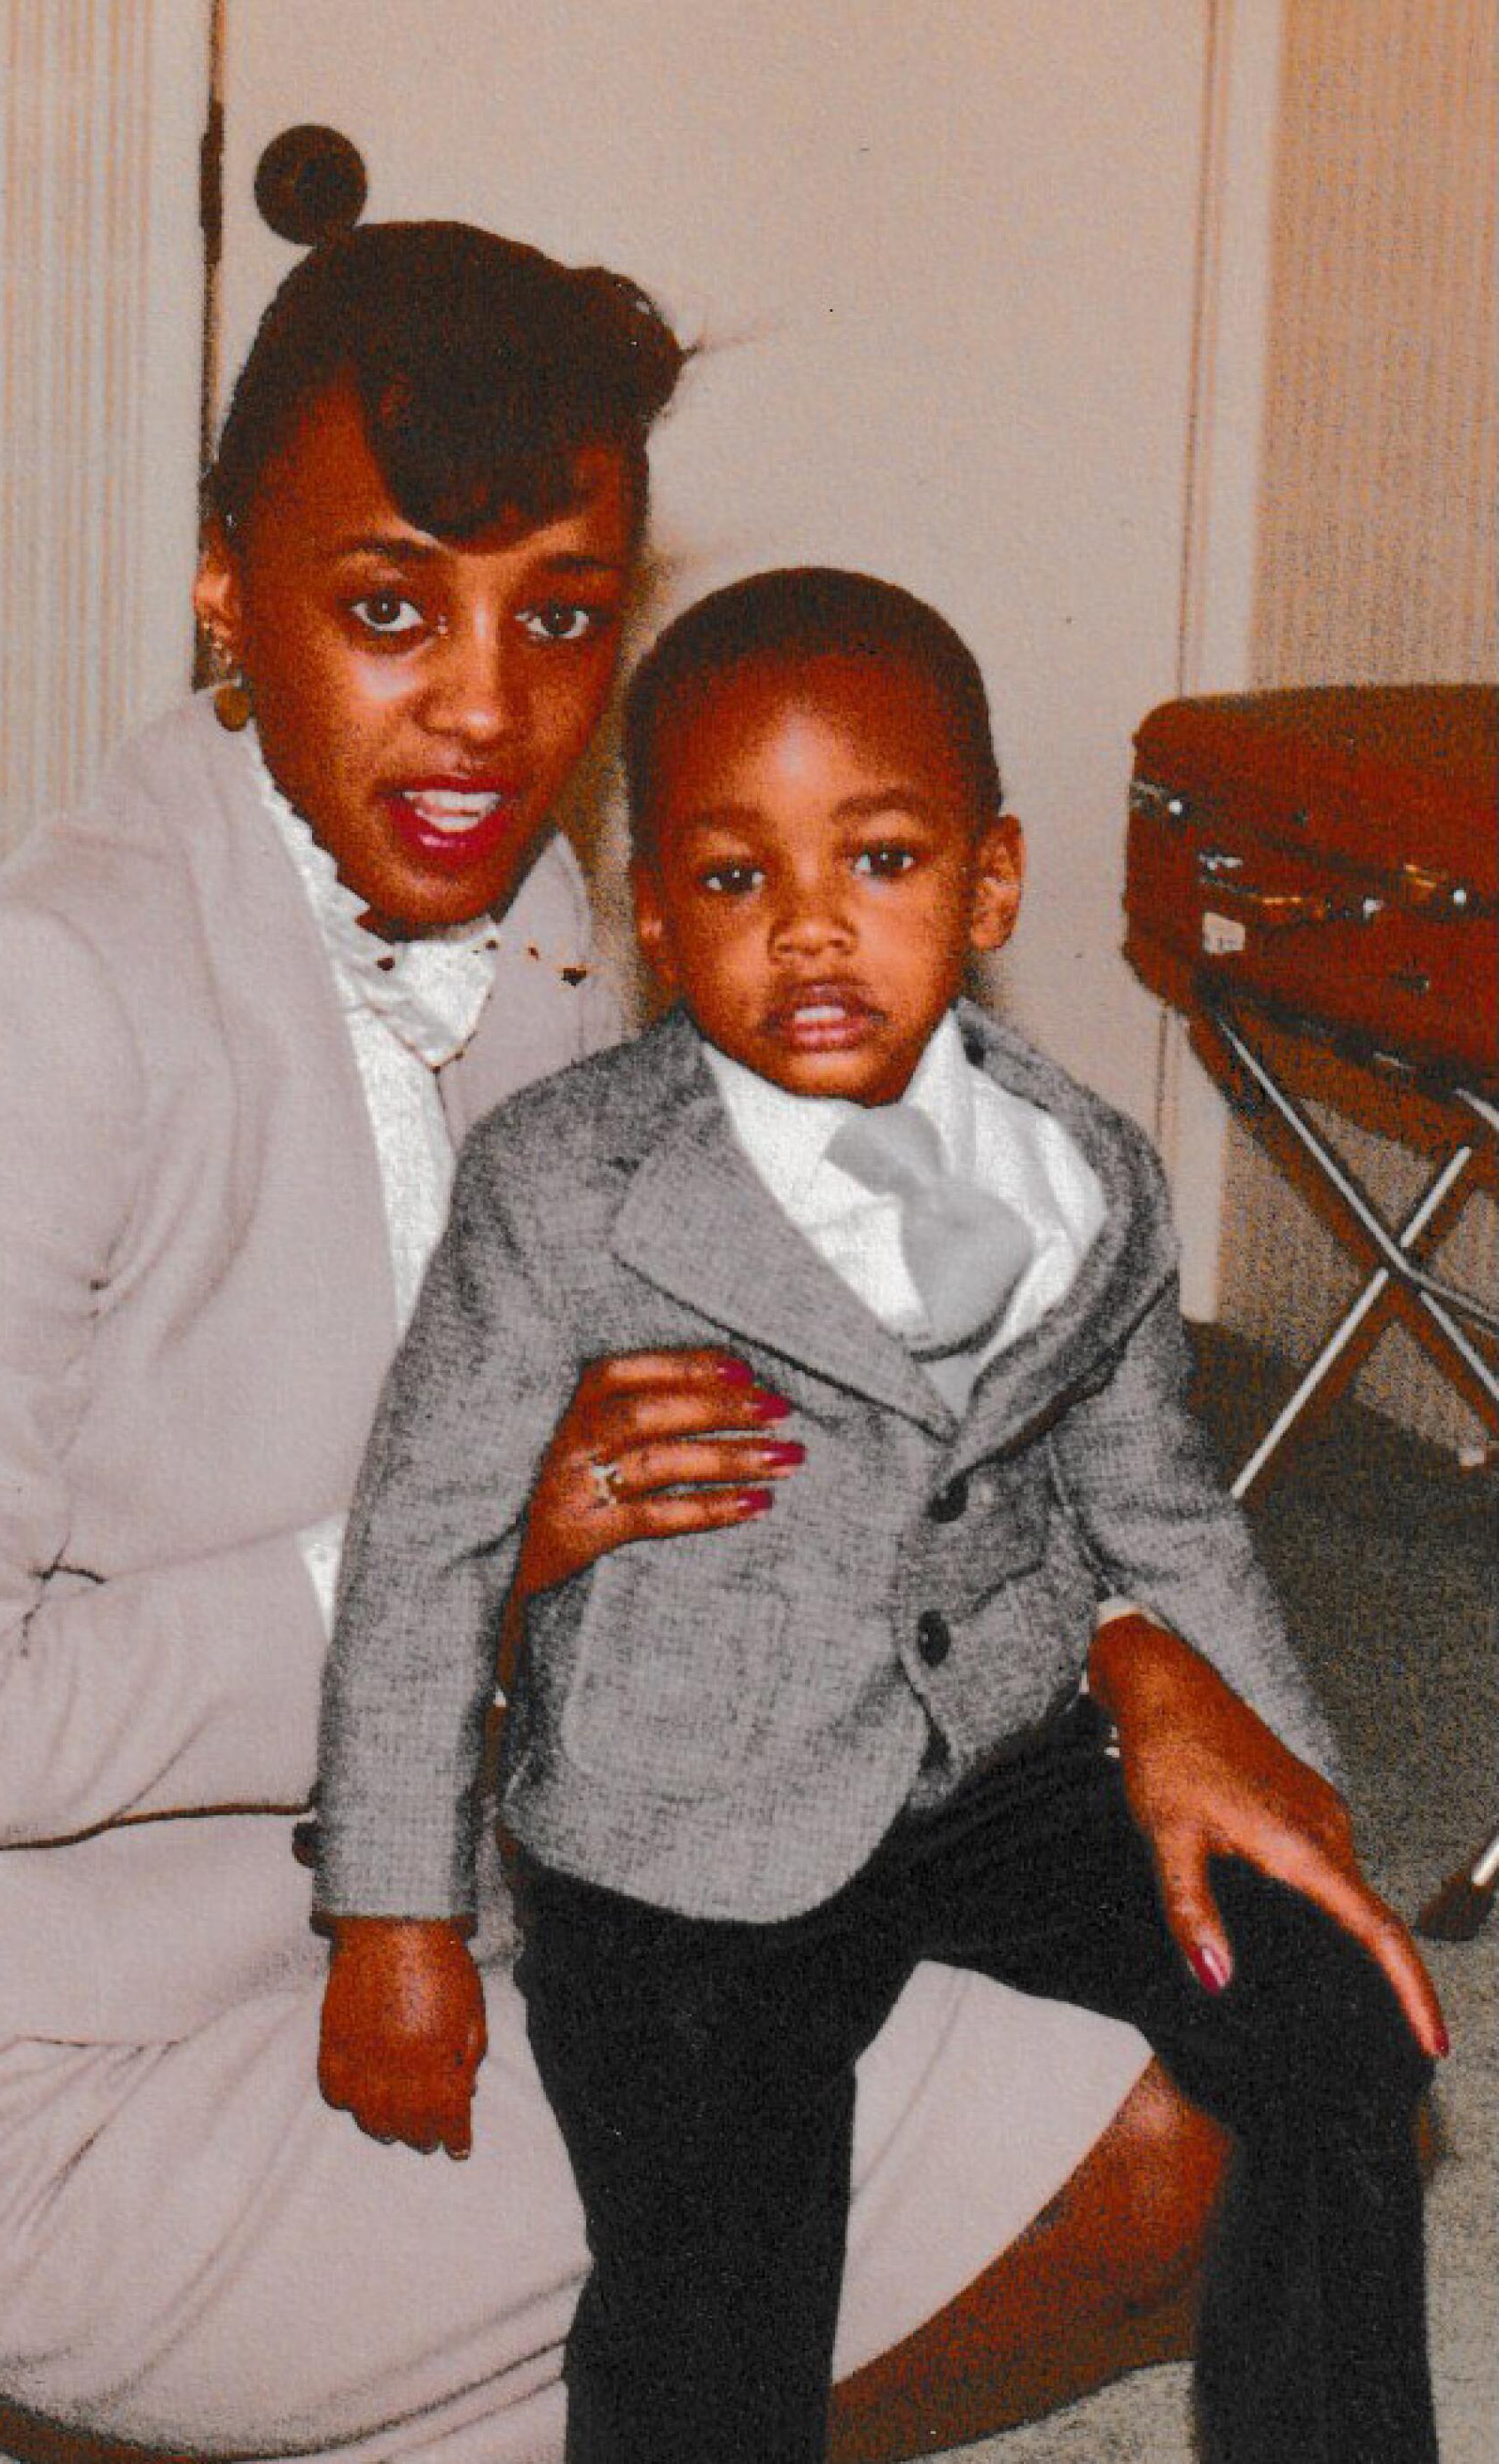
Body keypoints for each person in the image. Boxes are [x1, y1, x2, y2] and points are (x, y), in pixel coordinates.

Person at [0, 210, 1418, 2462]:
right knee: (1155, 2159)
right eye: (388, 610)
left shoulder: (556, 933)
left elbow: (881, 1420)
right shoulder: (17, 1025)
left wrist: (1136, 1660)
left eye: (560, 619)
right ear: (226, 583)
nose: (485, 715)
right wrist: (462, 1559)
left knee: (1277, 2032)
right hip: (78, 2088)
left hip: (527, 1910)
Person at [307, 569, 1448, 2464]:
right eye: (739, 880)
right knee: (719, 2292)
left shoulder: (1076, 1166)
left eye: (886, 859)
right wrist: (393, 1908)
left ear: (989, 886)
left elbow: (1158, 1503)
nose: (815, 927)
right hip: (683, 1827)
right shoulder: (563, 1187)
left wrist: (1292, 1789)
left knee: (1343, 2025)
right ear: (661, 917)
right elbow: (425, 1541)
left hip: (1000, 1758)